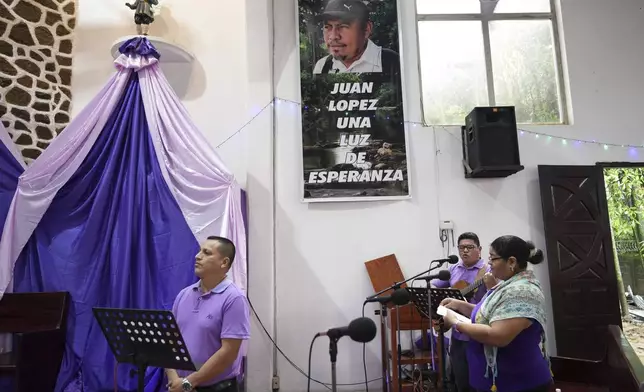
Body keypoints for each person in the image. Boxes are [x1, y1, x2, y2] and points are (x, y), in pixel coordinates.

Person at [441, 235, 553, 392]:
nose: (489, 264)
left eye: (493, 259)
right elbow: (489, 314)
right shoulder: (507, 286)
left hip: (517, 382)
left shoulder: (522, 291)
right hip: (495, 381)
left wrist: (455, 322)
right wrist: (461, 305)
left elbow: (497, 335)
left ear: (512, 262)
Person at [166, 236, 250, 392]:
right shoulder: (184, 295)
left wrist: (188, 383)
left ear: (224, 263)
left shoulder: (234, 299)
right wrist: (174, 380)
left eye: (206, 252)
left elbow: (228, 353)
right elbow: (171, 341)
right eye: (199, 251)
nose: (198, 256)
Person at [429, 232, 497, 392]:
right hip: (458, 333)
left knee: (481, 383)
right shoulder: (453, 269)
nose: (464, 251)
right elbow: (434, 287)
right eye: (461, 247)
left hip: (479, 334)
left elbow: (497, 297)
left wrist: (491, 285)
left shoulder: (489, 270)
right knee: (461, 382)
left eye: (469, 247)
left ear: (479, 250)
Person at [313, 0, 400, 75]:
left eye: (343, 27)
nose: (333, 36)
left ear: (366, 29)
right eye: (327, 27)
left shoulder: (393, 62)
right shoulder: (322, 66)